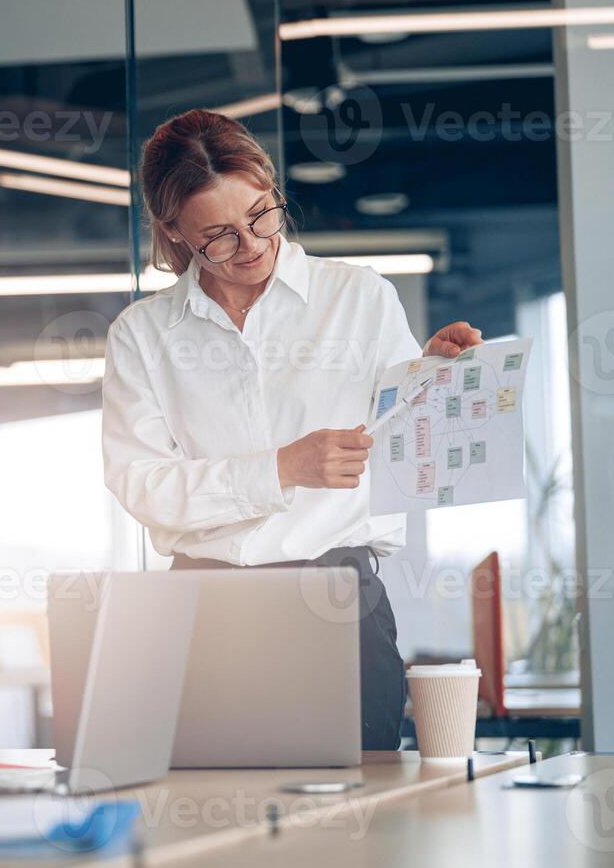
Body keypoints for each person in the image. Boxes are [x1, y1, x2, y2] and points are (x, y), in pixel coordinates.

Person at [102, 110, 483, 749]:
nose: (251, 245)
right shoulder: (141, 336)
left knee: (366, 816)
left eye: (260, 215)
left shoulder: (359, 298)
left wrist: (438, 378)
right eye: (218, 236)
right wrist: (280, 469)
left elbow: (405, 439)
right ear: (174, 233)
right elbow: (141, 486)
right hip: (206, 606)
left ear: (275, 192)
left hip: (340, 598)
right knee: (214, 823)